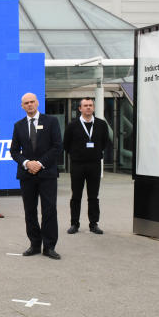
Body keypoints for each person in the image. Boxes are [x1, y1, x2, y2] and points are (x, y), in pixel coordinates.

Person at [10, 92, 62, 259]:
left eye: (32, 102)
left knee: (49, 210)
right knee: (30, 211)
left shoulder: (51, 121)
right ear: (22, 106)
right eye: (26, 103)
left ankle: (49, 246)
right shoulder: (18, 126)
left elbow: (57, 147)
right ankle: (34, 244)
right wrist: (27, 163)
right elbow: (14, 151)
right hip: (27, 175)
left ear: (37, 103)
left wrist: (39, 164)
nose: (30, 105)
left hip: (47, 173)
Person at [63, 97, 112, 235]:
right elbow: (66, 144)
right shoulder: (72, 125)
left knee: (93, 196)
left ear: (94, 108)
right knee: (76, 195)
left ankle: (94, 224)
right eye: (85, 105)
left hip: (95, 164)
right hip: (78, 165)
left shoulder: (101, 124)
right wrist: (77, 154)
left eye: (91, 105)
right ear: (80, 108)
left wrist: (95, 152)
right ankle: (74, 223)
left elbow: (104, 142)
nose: (88, 108)